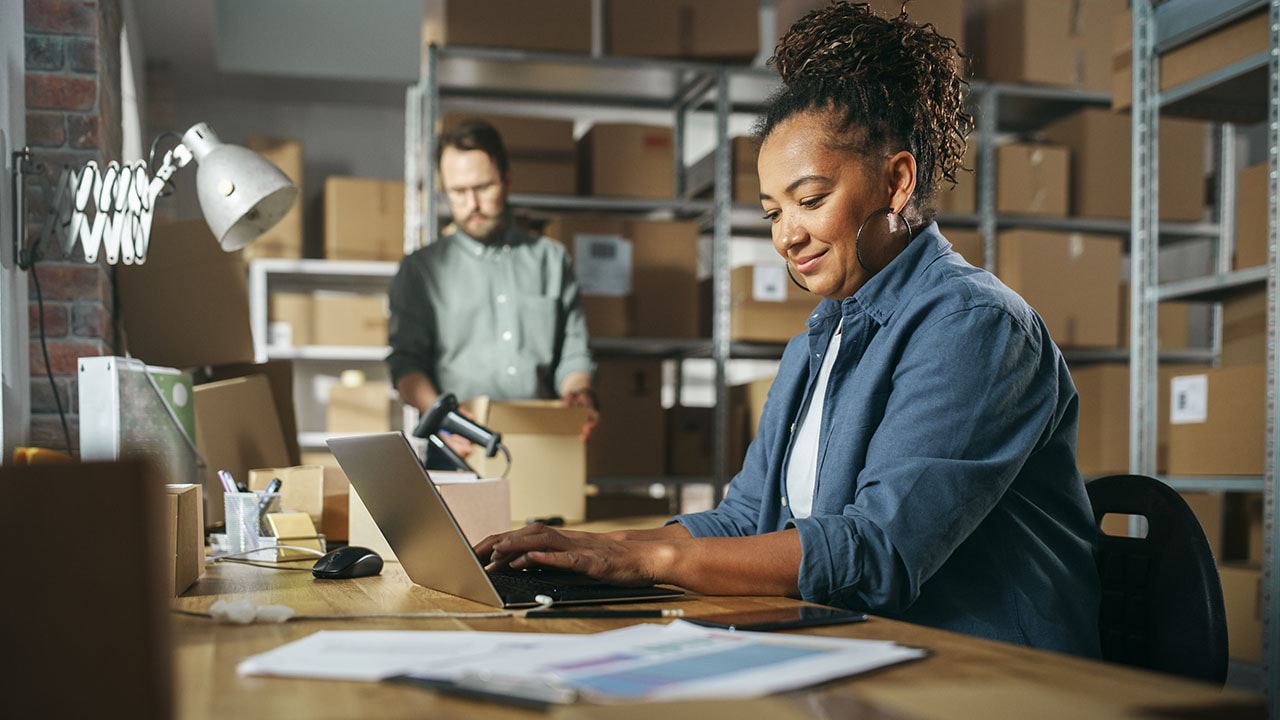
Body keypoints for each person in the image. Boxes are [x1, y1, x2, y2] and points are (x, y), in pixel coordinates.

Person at [473, 2, 1101, 657]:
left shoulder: (976, 327)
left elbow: (877, 552)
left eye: (809, 200)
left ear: (897, 181)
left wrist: (650, 561)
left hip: (993, 673)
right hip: (864, 650)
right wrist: (594, 548)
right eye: (772, 212)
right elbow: (748, 517)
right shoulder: (818, 340)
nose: (786, 235)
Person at [388, 120, 597, 461]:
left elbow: (574, 353)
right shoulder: (420, 270)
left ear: (506, 179)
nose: (472, 204)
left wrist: (578, 392)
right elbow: (405, 364)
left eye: (483, 187)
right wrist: (444, 417)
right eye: (457, 192)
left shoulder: (551, 260)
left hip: (543, 444)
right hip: (461, 447)